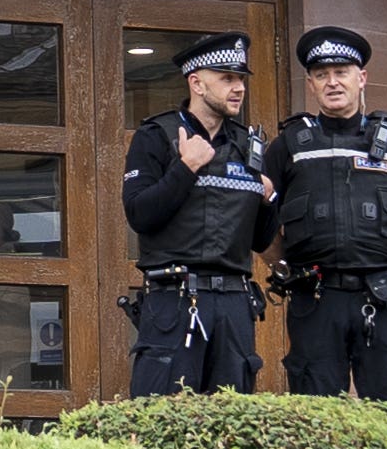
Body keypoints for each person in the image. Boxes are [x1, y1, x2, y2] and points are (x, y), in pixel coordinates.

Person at [265, 25, 387, 404]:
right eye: (321, 74)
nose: (332, 82)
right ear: (310, 84)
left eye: (342, 72)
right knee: (315, 416)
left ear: (361, 78)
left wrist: (385, 271)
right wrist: (289, 269)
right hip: (314, 298)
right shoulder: (287, 147)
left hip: (380, 298)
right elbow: (260, 225)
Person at [115, 32, 273, 393]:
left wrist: (270, 199)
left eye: (240, 79)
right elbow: (139, 214)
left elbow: (261, 239)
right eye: (227, 78)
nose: (238, 88)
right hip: (176, 299)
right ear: (197, 83)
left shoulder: (249, 145)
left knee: (231, 424)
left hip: (235, 304)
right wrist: (186, 168)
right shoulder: (157, 135)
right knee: (164, 413)